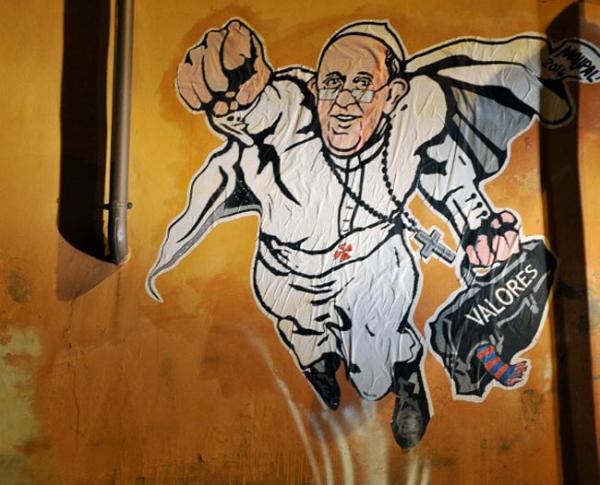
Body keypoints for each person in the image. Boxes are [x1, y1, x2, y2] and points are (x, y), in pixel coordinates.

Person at [147, 19, 596, 447]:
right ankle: (319, 363)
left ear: (394, 94)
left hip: (372, 268)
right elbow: (259, 110)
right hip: (285, 270)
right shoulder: (291, 114)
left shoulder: (417, 118)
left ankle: (405, 373)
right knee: (303, 334)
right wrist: (237, 94)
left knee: (372, 376)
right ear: (314, 89)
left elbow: (451, 181)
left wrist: (477, 225)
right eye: (332, 83)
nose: (344, 101)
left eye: (363, 84)